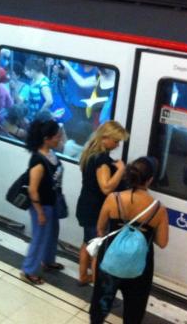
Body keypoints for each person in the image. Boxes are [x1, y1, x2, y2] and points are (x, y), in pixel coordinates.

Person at [90, 157, 169, 323]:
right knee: (134, 310)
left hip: (110, 260)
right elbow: (162, 242)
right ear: (150, 180)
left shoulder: (113, 198)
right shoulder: (159, 209)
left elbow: (100, 227)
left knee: (100, 304)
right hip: (140, 266)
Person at [76, 120, 129, 286]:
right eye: (116, 140)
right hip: (95, 209)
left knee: (87, 243)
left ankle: (83, 276)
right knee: (98, 248)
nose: (118, 144)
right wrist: (121, 170)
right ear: (105, 138)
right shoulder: (102, 160)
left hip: (85, 204)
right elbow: (106, 188)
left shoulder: (89, 154)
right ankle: (98, 287)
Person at [19, 120, 64, 285]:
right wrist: (39, 212)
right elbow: (33, 189)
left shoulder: (50, 154)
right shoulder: (38, 160)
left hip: (51, 202)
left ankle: (48, 260)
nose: (60, 139)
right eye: (57, 136)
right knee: (39, 237)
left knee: (52, 233)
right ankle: (28, 270)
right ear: (47, 138)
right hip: (41, 206)